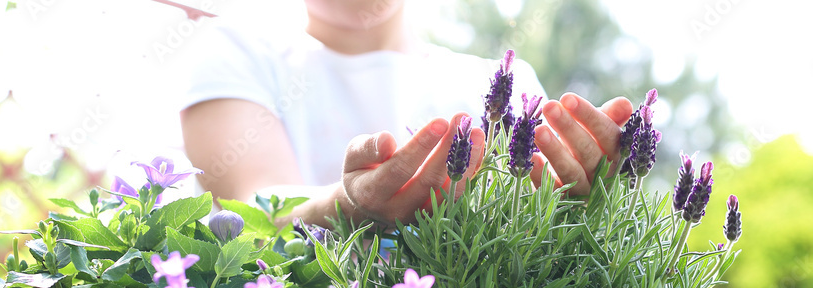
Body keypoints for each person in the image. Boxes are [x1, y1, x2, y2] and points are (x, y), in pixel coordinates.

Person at [180, 0, 633, 231]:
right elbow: (255, 207)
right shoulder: (237, 50)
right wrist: (348, 204)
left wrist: (583, 206)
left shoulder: (505, 81)